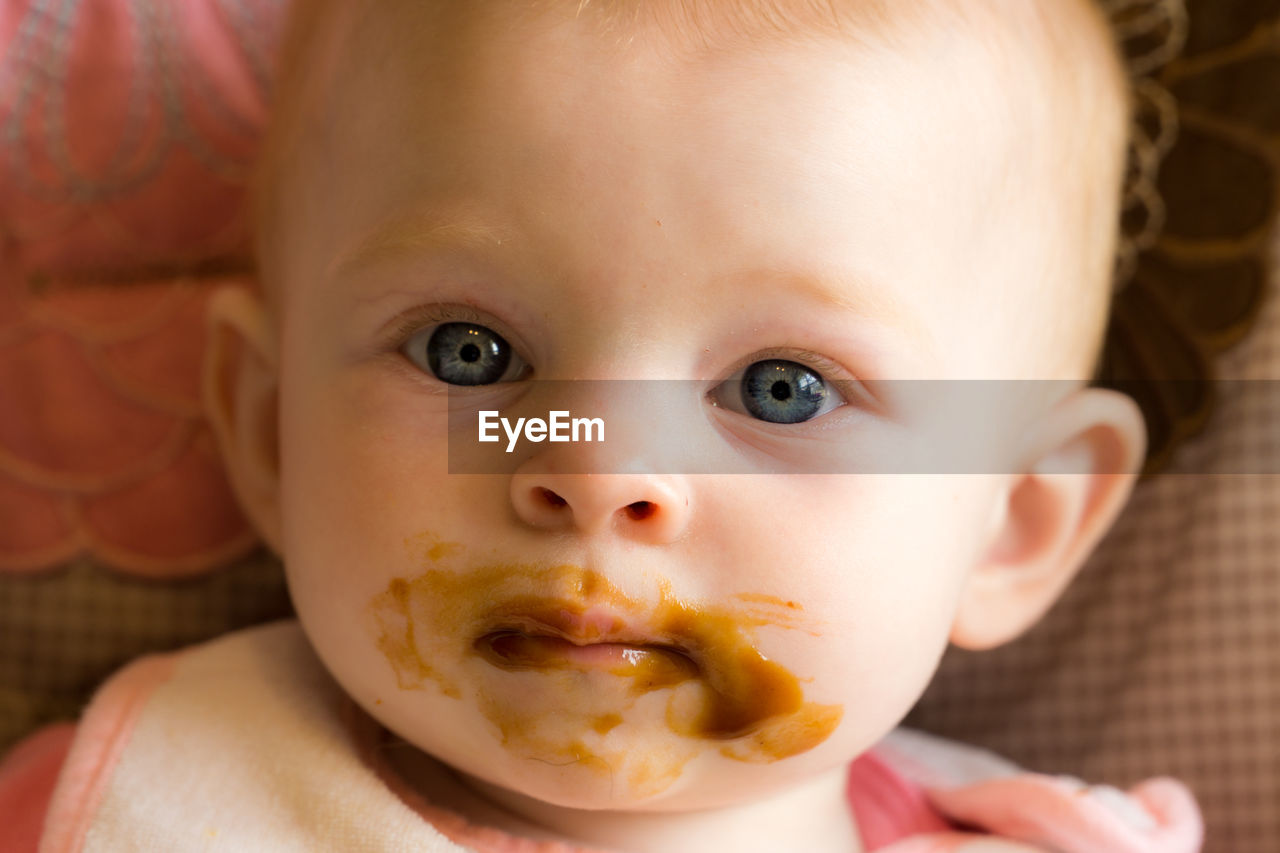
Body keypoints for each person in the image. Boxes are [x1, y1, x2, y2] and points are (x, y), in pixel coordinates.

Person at [1, 0, 1205, 850]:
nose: (596, 470)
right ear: (270, 433)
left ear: (1011, 520)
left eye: (781, 386)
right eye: (467, 354)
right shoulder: (117, 804)